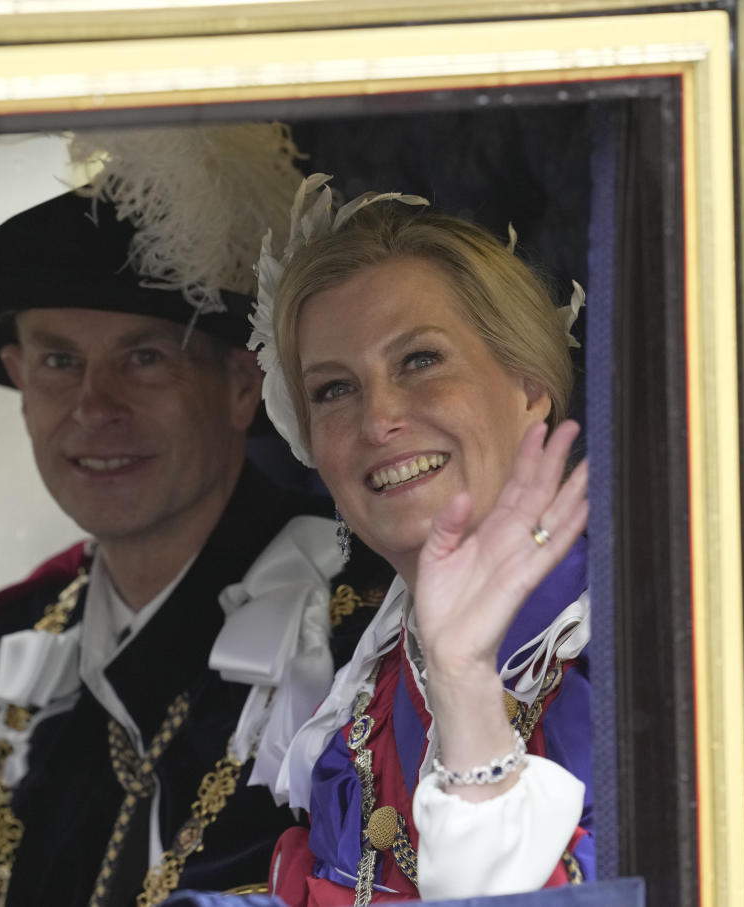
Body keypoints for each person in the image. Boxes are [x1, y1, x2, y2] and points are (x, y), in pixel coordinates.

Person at [0, 130, 383, 907]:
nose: (94, 407)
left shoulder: (362, 636)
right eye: (59, 361)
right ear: (18, 378)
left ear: (241, 385)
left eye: (144, 358)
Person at [246, 174, 592, 904]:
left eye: (420, 360)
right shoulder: (364, 697)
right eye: (334, 389)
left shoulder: (638, 655)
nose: (379, 421)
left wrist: (466, 686)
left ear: (528, 387)